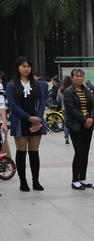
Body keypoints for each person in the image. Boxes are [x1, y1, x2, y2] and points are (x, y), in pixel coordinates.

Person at [5, 57, 49, 191]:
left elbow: (42, 102)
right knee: (21, 152)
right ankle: (23, 182)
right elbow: (12, 104)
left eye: (28, 66)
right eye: (23, 66)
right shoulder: (11, 84)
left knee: (34, 153)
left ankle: (36, 182)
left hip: (36, 122)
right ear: (18, 67)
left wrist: (37, 118)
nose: (26, 68)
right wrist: (29, 118)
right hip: (20, 122)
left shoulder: (37, 84)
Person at [63, 69, 94, 190]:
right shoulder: (68, 92)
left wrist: (91, 118)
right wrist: (84, 119)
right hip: (75, 126)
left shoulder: (86, 90)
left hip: (88, 126)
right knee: (79, 152)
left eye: (81, 76)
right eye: (77, 76)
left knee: (85, 153)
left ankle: (83, 178)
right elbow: (71, 109)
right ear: (72, 78)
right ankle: (75, 180)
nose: (80, 78)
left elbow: (92, 106)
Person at [57, 76, 72, 145]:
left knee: (66, 123)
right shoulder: (73, 89)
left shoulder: (60, 90)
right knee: (73, 123)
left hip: (64, 109)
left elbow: (58, 99)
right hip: (72, 108)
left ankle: (66, 137)